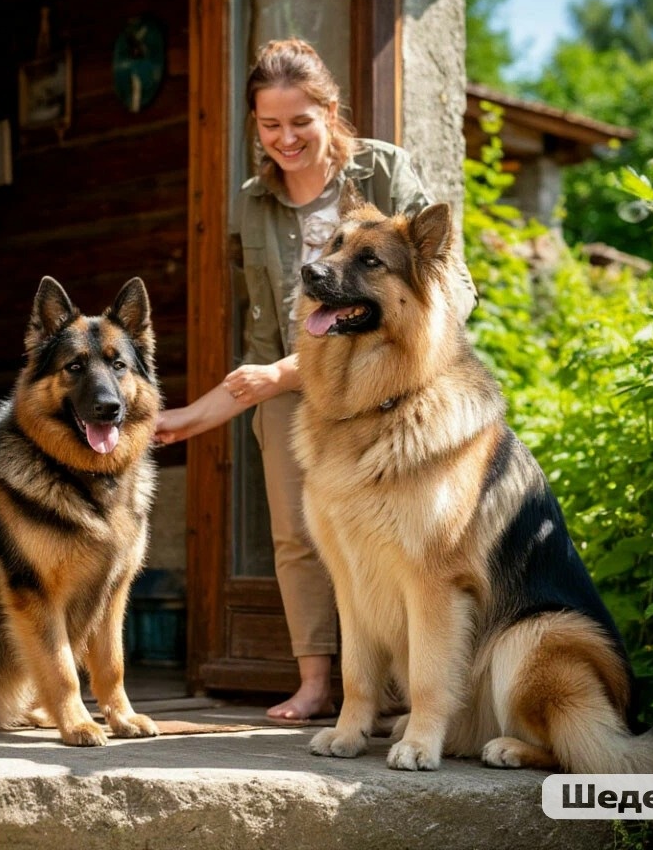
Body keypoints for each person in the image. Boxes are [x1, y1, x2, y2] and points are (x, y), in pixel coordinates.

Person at [154, 38, 476, 723]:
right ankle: (317, 684)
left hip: (392, 381)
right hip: (296, 388)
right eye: (269, 125)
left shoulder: (383, 171)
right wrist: (187, 419)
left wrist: (294, 367)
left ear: (331, 112)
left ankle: (408, 694)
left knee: (410, 545)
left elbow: (453, 286)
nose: (285, 139)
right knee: (299, 535)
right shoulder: (253, 202)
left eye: (300, 121)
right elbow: (262, 341)